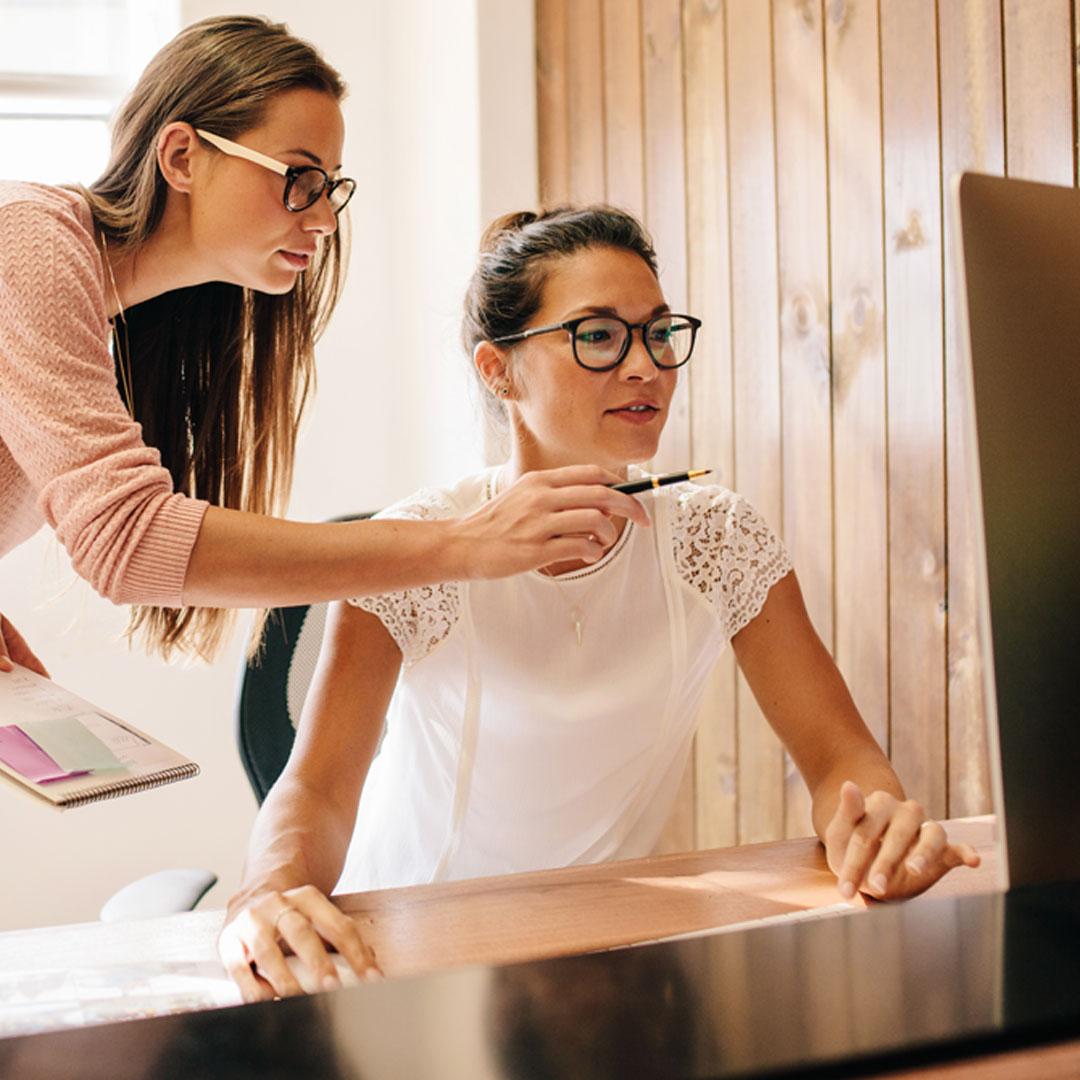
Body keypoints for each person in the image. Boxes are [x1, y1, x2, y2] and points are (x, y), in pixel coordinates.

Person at [218, 205, 980, 1002]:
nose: (646, 366)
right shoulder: (416, 546)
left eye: (658, 332)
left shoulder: (717, 541)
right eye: (598, 335)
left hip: (599, 950)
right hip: (403, 950)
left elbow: (841, 759)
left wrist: (876, 825)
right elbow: (316, 790)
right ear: (497, 371)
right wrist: (267, 888)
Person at [0, 16, 646, 675]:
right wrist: (464, 544)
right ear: (181, 157)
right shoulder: (25, 237)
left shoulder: (113, 319)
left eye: (331, 186)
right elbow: (130, 544)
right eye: (301, 179)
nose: (325, 219)